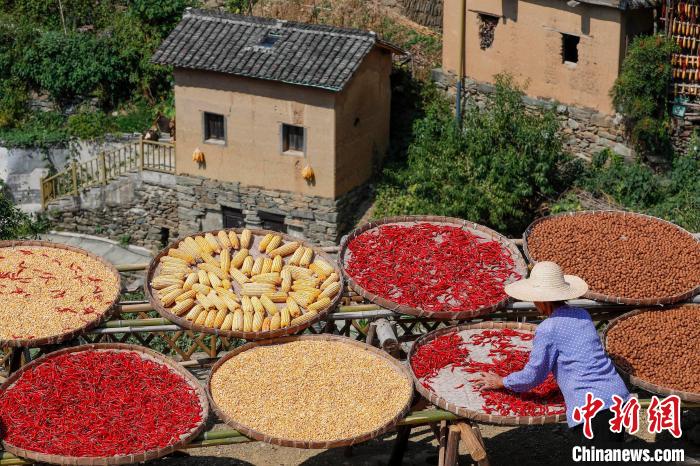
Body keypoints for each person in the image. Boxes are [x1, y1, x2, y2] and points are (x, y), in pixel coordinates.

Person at [473, 261, 629, 446]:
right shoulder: (582, 314)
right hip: (617, 396)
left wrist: (502, 381)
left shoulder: (548, 328)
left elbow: (534, 375)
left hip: (593, 407)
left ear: (542, 300)